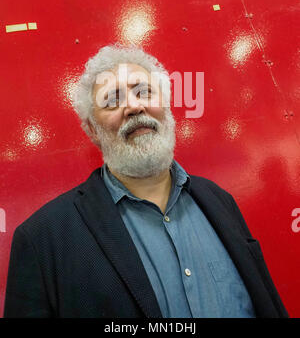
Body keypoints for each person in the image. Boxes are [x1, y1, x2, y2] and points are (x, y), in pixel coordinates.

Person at [4, 44, 288, 318]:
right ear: (92, 130)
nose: (133, 106)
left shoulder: (218, 200)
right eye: (112, 101)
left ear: (165, 106)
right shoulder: (43, 239)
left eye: (144, 92)